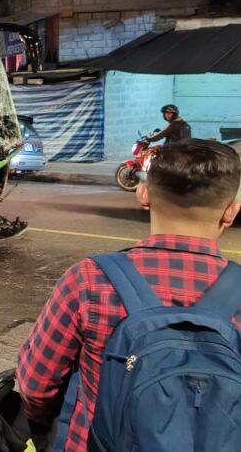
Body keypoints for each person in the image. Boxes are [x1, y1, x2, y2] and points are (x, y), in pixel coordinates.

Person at [16, 139, 241, 451]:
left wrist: (42, 426)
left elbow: (36, 386)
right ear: (231, 212)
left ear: (143, 194)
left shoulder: (90, 280)